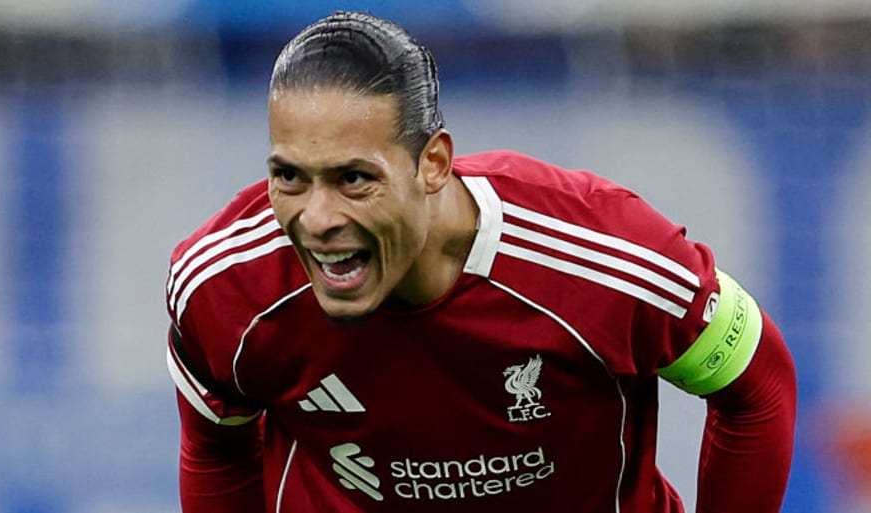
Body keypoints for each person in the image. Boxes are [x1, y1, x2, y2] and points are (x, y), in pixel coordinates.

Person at [165, 10, 796, 513]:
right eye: (290, 177)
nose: (317, 219)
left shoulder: (604, 254)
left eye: (354, 179)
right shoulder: (223, 286)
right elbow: (216, 450)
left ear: (433, 163)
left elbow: (757, 381)